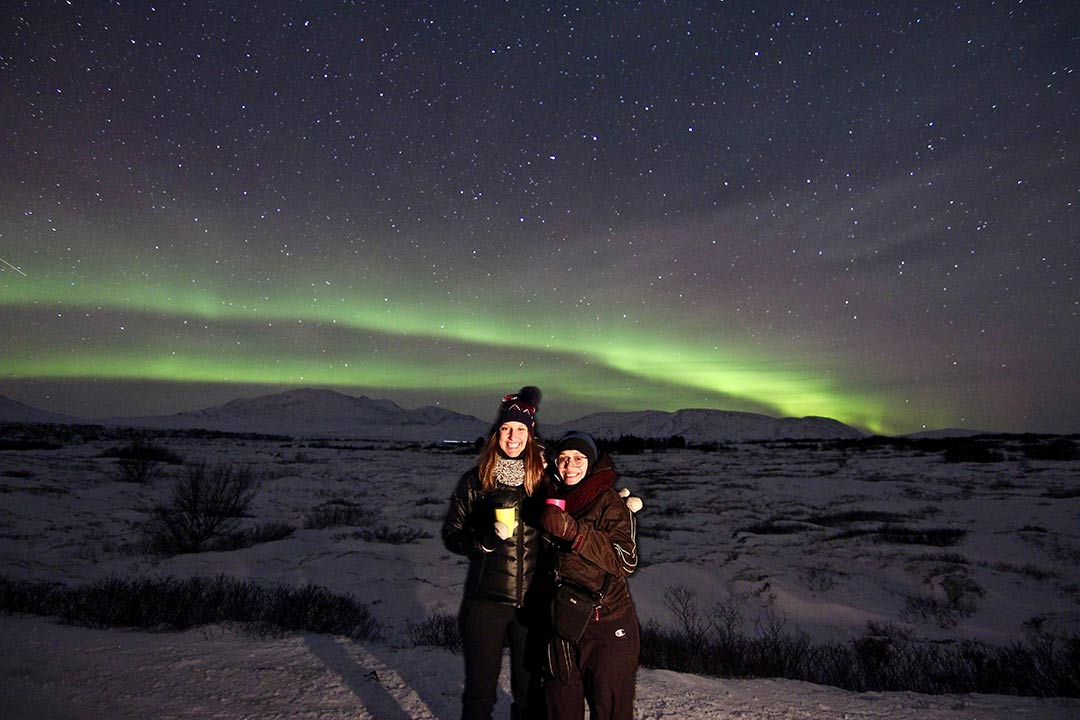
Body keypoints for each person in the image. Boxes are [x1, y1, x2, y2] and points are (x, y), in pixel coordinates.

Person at [442, 386, 546, 720]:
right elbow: (452, 535)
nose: (512, 436)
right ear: (496, 434)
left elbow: (579, 499)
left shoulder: (543, 481)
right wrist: (483, 542)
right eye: (505, 429)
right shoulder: (475, 481)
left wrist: (616, 506)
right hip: (485, 604)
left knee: (530, 695)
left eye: (519, 429)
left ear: (530, 435)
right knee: (479, 695)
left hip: (532, 606)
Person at [538, 431, 639, 720]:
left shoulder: (609, 502)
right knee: (560, 709)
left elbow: (625, 561)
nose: (569, 466)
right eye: (563, 459)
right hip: (563, 621)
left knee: (609, 709)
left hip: (606, 624)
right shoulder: (553, 496)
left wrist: (574, 533)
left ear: (592, 462)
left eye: (578, 459)